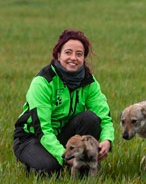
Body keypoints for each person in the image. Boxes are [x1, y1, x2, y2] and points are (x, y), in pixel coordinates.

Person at [13, 29, 114, 175]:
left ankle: (82, 170)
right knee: (52, 169)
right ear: (59, 55)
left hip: (63, 135)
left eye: (79, 54)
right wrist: (63, 156)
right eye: (68, 52)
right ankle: (34, 161)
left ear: (83, 58)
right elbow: (43, 129)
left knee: (90, 118)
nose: (73, 58)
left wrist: (107, 140)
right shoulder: (43, 82)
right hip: (32, 137)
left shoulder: (89, 82)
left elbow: (104, 116)